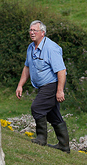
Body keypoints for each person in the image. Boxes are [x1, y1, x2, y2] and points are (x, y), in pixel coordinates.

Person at [16, 20, 70, 153]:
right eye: (30, 30)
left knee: (37, 108)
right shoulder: (30, 47)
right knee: (53, 115)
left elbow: (61, 71)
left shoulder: (51, 48)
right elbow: (27, 67)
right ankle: (64, 146)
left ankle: (41, 139)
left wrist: (60, 91)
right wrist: (20, 85)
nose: (32, 33)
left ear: (43, 33)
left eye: (35, 30)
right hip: (43, 86)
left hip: (51, 85)